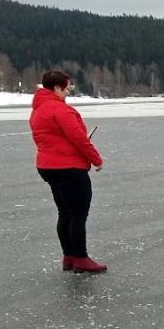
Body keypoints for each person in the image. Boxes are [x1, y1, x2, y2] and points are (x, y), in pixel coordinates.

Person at [29, 69, 106, 273]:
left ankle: (69, 256)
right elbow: (79, 138)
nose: (69, 91)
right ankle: (80, 258)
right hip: (69, 169)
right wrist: (96, 159)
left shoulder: (38, 110)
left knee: (64, 213)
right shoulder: (61, 110)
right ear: (56, 87)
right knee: (78, 215)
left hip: (48, 167)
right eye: (66, 87)